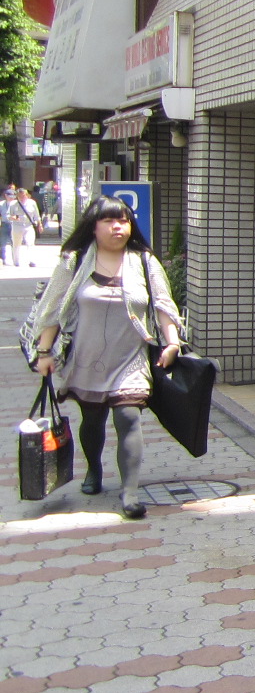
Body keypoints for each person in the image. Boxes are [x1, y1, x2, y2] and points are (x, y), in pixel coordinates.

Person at [25, 197, 183, 519]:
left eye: (123, 221)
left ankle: (130, 493)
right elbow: (53, 308)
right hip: (87, 358)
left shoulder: (143, 260)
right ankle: (93, 470)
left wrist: (172, 342)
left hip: (131, 359)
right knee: (93, 420)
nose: (117, 228)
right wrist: (44, 352)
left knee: (128, 418)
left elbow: (163, 304)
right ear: (93, 227)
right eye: (110, 221)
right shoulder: (76, 260)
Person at [3, 185, 42, 268]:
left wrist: (40, 224)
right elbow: (8, 215)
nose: (23, 197)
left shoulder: (32, 203)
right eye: (20, 196)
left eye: (24, 195)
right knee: (16, 244)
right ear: (17, 196)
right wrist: (13, 217)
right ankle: (16, 261)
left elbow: (37, 215)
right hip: (17, 226)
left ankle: (31, 261)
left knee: (30, 243)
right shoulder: (13, 204)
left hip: (28, 226)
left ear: (27, 195)